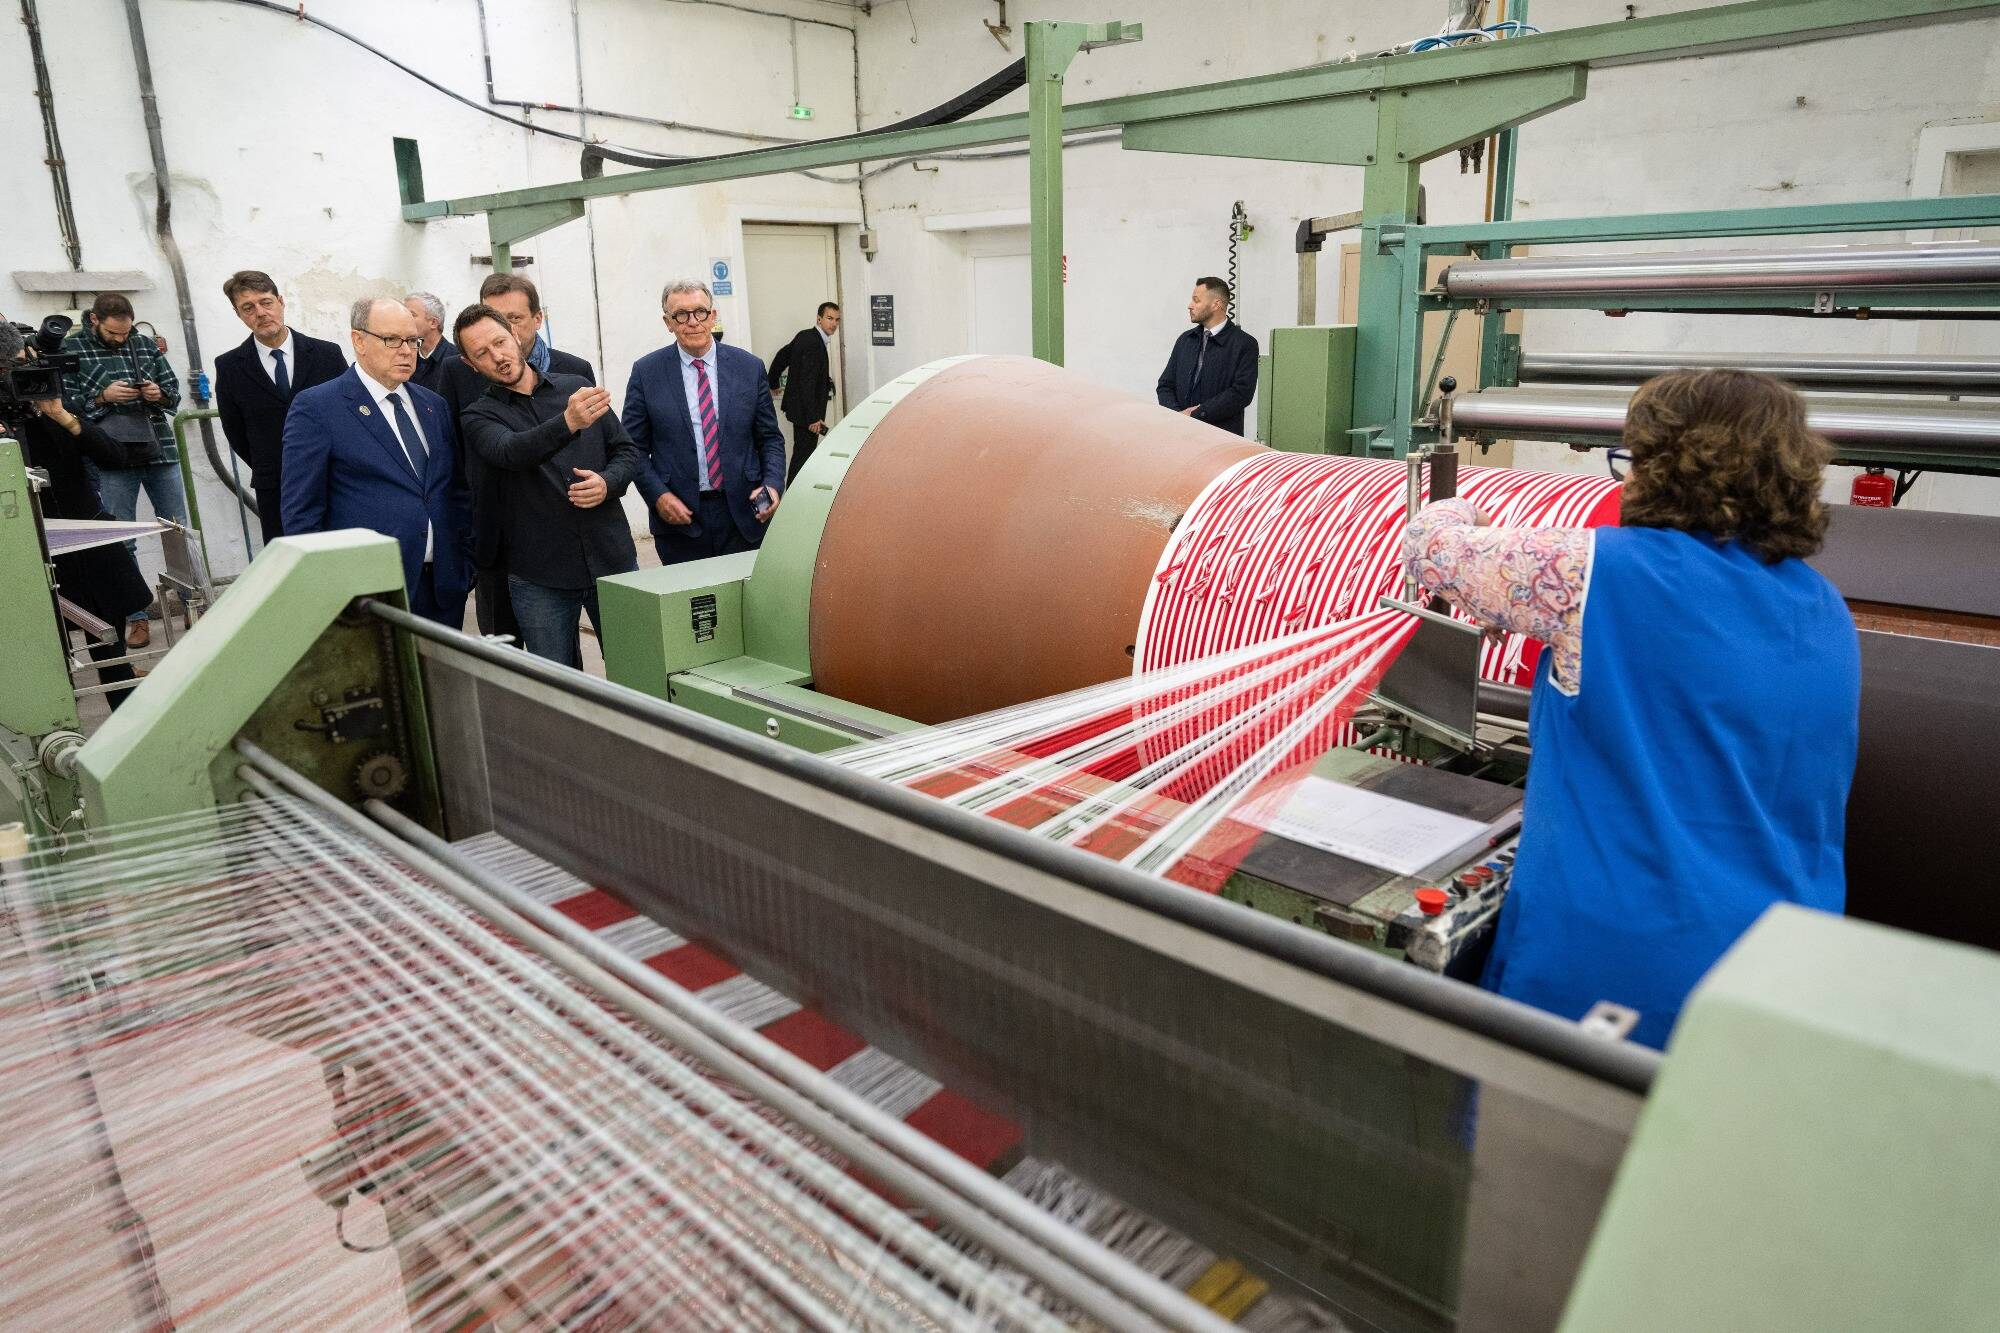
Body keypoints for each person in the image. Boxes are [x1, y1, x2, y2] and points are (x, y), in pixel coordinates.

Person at [1401, 369, 1859, 1050]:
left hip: (1615, 976)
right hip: (1780, 976)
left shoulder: (1593, 572)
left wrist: (1472, 515)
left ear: (1664, 467)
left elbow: (1427, 548)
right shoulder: (1828, 610)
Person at [454, 303, 640, 667]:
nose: (498, 356)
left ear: (513, 333)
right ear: (470, 364)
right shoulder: (478, 416)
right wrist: (567, 422)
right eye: (482, 353)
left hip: (611, 559)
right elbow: (511, 451)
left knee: (636, 668)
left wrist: (607, 482)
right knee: (560, 685)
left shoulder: (576, 388)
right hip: (541, 576)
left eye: (500, 342)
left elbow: (626, 451)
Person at [281, 297, 473, 627]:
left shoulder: (433, 405)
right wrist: (334, 591)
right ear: (359, 340)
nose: (406, 350)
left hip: (444, 589)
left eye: (412, 340)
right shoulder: (318, 408)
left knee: (442, 680)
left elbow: (454, 490)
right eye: (391, 340)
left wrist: (465, 565)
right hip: (371, 594)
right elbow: (302, 513)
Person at [4, 320, 151, 707]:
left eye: (22, 362)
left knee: (111, 652)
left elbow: (112, 455)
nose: (18, 374)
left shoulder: (48, 409)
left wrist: (60, 415)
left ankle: (126, 727)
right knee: (46, 660)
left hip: (85, 544)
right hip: (26, 553)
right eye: (8, 367)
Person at [451, 273, 599, 639]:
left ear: (535, 320)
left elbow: (601, 446)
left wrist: (605, 483)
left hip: (572, 535)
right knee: (509, 650)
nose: (494, 349)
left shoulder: (573, 372)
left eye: (511, 320)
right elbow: (458, 450)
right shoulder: (457, 372)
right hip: (499, 537)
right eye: (491, 317)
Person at [623, 279, 785, 567]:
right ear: (668, 323)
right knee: (693, 609)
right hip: (679, 519)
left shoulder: (749, 367)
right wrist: (658, 496)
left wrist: (772, 485)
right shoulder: (647, 373)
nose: (692, 322)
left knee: (743, 603)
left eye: (700, 312)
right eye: (681, 315)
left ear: (713, 316)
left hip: (744, 514)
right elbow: (631, 448)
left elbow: (770, 438)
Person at [63, 292, 184, 647]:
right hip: (109, 457)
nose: (121, 339)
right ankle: (136, 618)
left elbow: (174, 394)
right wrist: (103, 398)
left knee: (178, 532)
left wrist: (155, 394)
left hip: (158, 449)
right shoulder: (71, 350)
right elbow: (64, 407)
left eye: (126, 333)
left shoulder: (143, 344)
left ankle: (196, 604)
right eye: (114, 334)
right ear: (94, 321)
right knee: (121, 542)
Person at [213, 270, 346, 546]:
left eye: (266, 302)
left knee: (343, 558)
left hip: (335, 479)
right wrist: (273, 465)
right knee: (291, 566)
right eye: (248, 308)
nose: (260, 313)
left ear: (281, 302)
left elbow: (348, 415)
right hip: (276, 487)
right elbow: (235, 431)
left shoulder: (327, 355)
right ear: (239, 315)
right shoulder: (230, 367)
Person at [1154, 276, 1259, 436]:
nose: (1190, 306)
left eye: (1196, 301)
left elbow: (1241, 394)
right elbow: (1165, 385)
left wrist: (1196, 415)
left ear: (1216, 304)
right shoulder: (1185, 340)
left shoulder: (1244, 344)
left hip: (1221, 440)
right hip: (1180, 435)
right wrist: (1178, 416)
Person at [767, 301, 840, 483]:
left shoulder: (805, 336)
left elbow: (783, 355)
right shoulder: (814, 343)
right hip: (806, 415)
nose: (834, 324)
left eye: (837, 320)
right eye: (830, 318)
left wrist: (772, 381)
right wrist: (813, 418)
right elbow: (807, 382)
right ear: (819, 318)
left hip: (800, 411)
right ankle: (792, 500)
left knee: (801, 456)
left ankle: (792, 498)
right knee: (803, 459)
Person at [404, 292, 458, 393]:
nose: (403, 319)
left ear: (433, 323)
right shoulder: (406, 355)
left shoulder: (457, 359)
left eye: (411, 314)